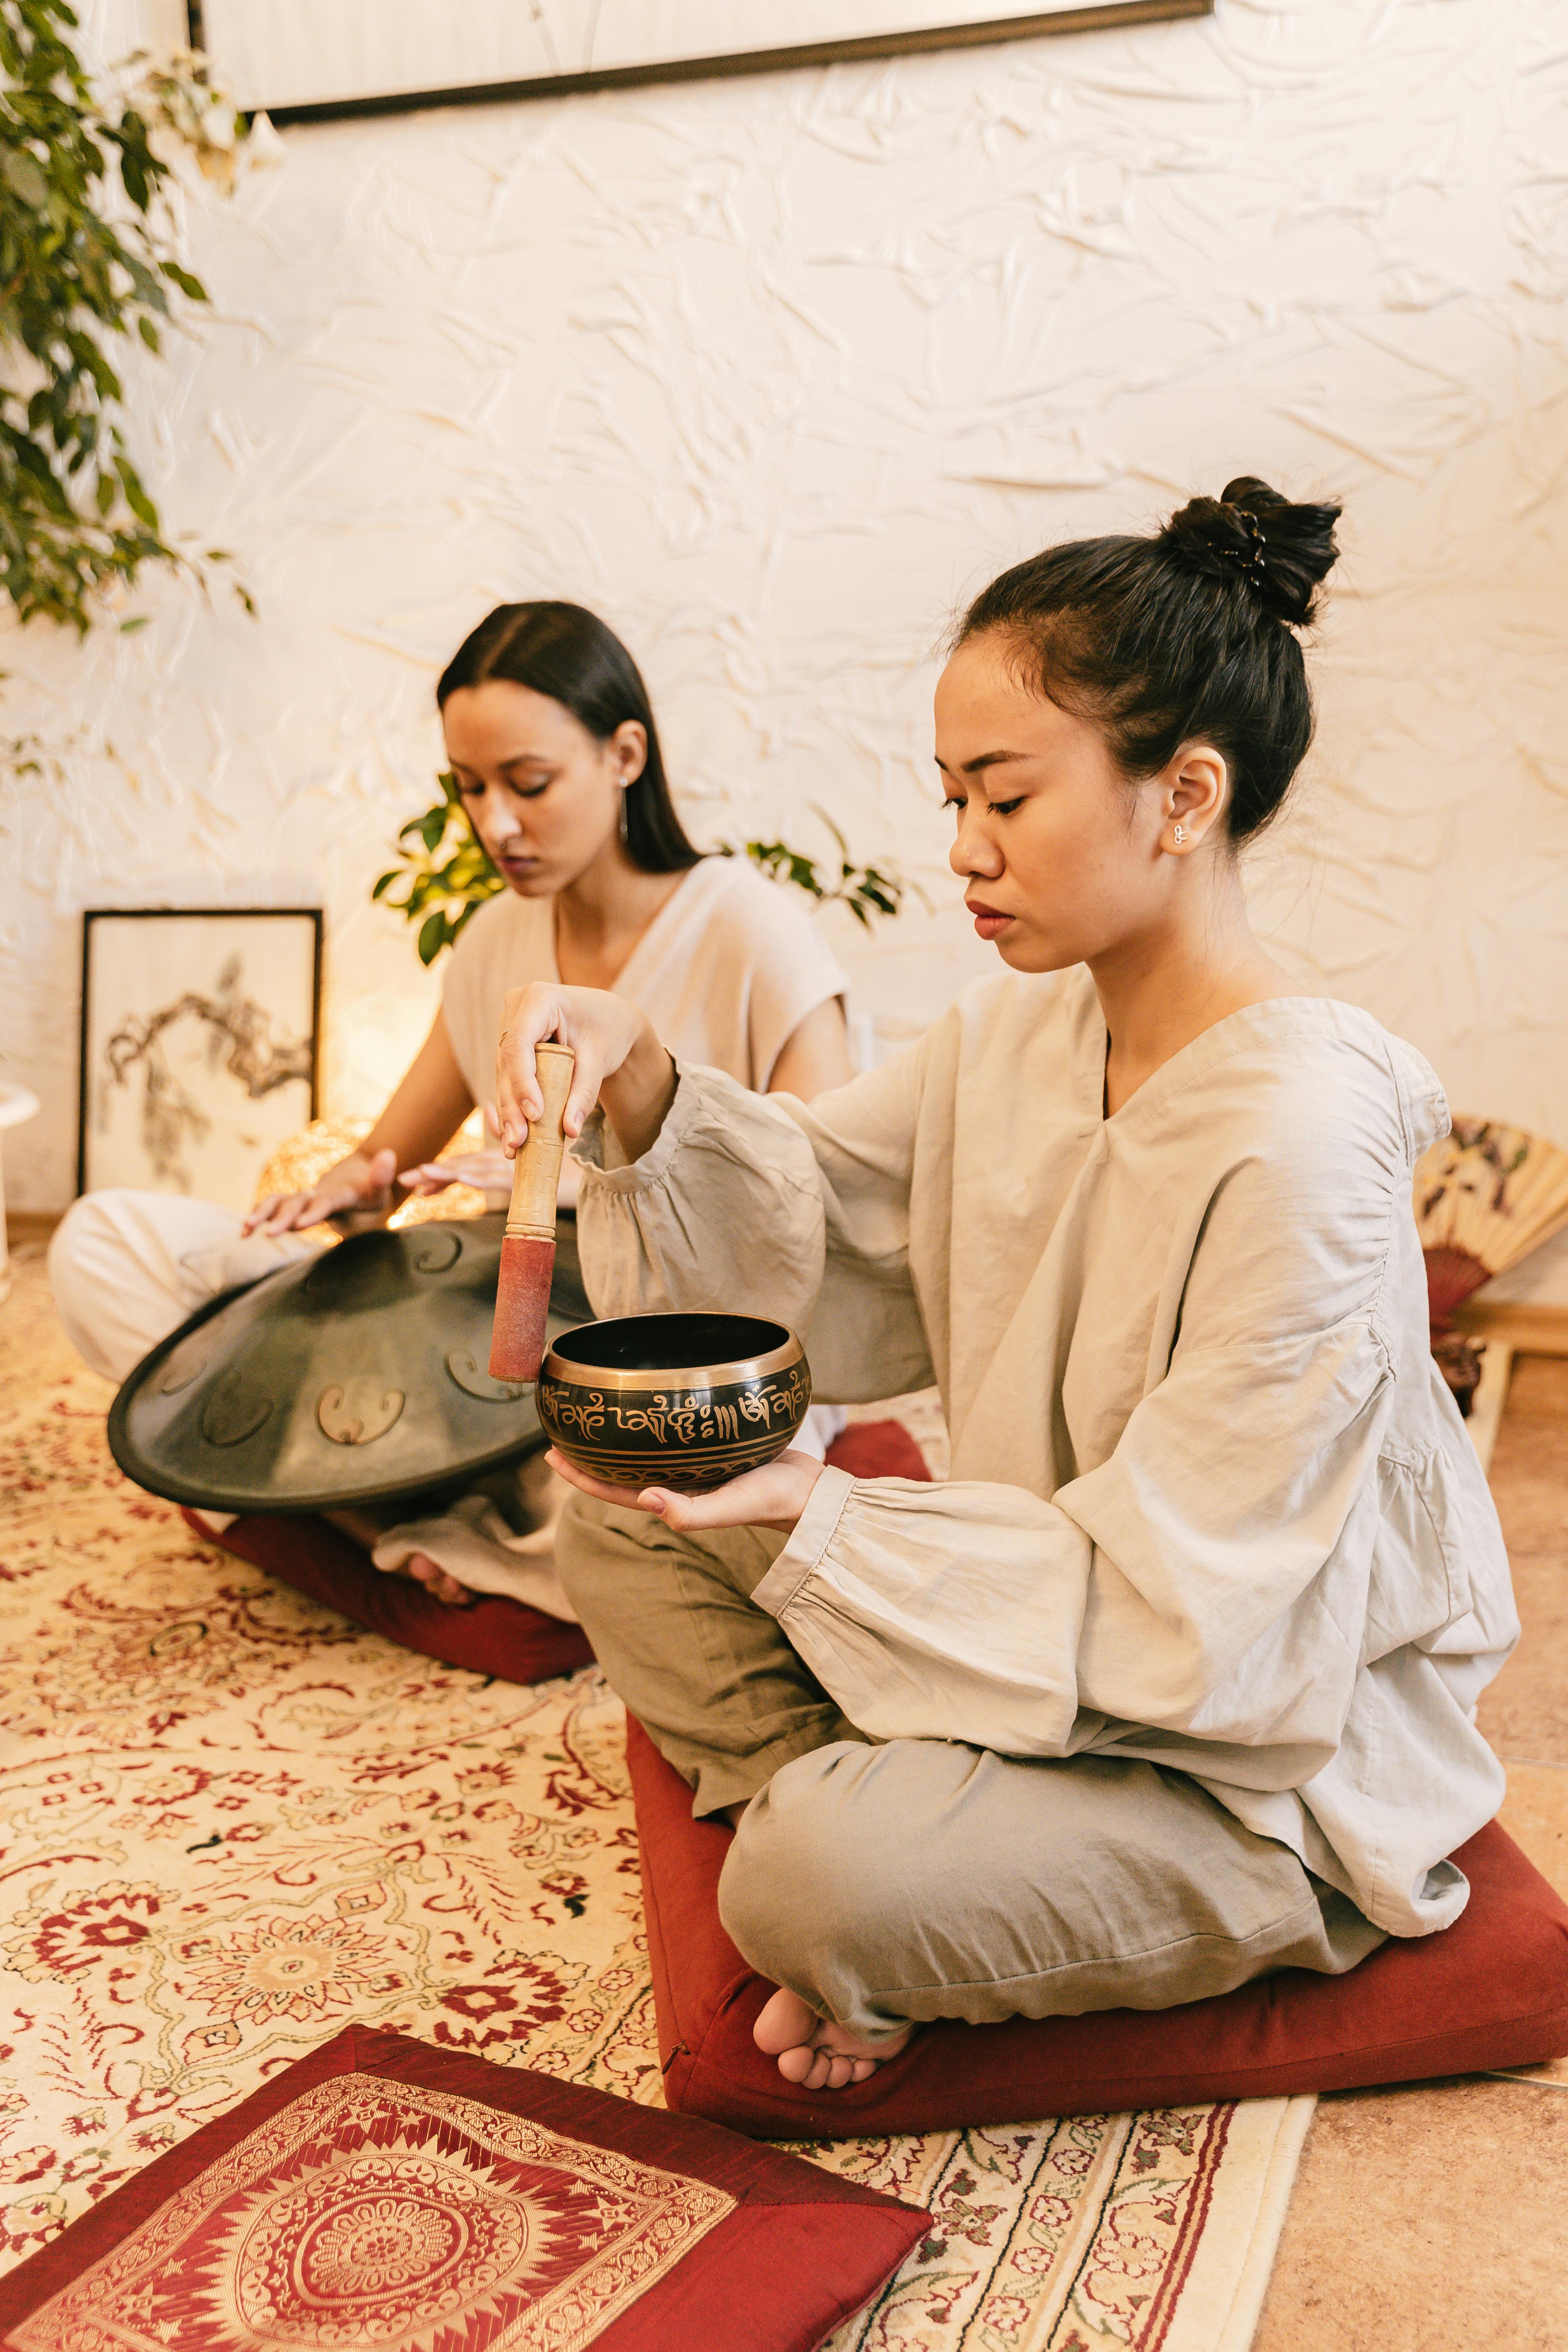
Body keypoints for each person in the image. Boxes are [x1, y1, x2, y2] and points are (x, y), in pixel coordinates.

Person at [488, 480, 1517, 2093]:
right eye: (948, 794)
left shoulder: (1300, 1141)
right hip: (1057, 1633)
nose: (959, 851)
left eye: (1004, 798)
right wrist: (638, 1080)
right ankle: (903, 1837)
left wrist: (825, 1526)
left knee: (808, 1875)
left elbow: (1204, 1613)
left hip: (1252, 1756)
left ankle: (879, 1868)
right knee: (616, 1505)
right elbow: (816, 1218)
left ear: (1181, 795)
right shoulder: (1022, 1026)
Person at [50, 601, 853, 1602]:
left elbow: (817, 1231)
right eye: (470, 788)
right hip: (481, 1325)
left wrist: (577, 1192)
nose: (494, 825)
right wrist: (349, 1193)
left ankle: (403, 1522)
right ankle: (425, 1521)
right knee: (105, 1244)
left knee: (686, 1493)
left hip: (652, 1354)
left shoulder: (753, 932)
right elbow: (383, 1162)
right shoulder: (491, 943)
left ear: (626, 754)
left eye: (529, 784)